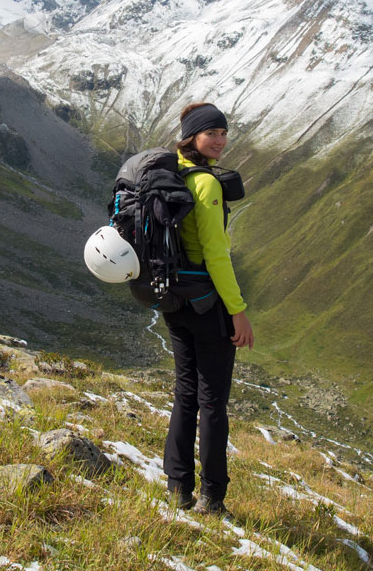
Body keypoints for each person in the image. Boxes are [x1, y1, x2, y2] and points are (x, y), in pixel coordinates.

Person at [163, 101, 255, 517]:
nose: (220, 140)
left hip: (174, 300)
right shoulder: (206, 185)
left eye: (223, 133)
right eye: (211, 133)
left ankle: (177, 488)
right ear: (193, 136)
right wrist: (237, 310)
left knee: (185, 394)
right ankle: (212, 498)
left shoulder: (172, 172)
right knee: (212, 401)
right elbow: (217, 256)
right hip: (207, 303)